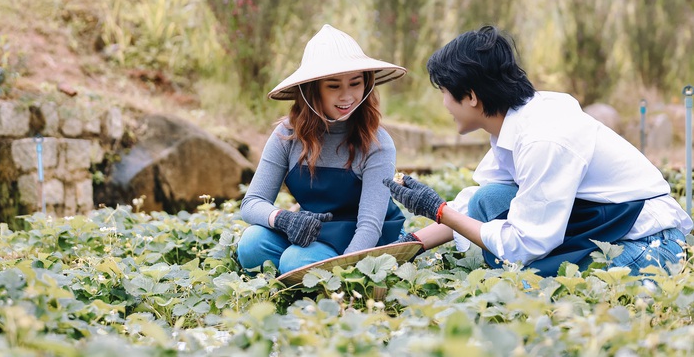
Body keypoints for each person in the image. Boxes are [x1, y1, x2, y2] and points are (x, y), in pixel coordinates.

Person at [385, 25, 693, 277]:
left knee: (524, 282)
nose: (443, 105)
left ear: (471, 97)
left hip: (650, 242)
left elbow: (523, 244)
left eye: (445, 93)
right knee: (485, 200)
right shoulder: (517, 120)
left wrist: (437, 209)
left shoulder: (542, 140)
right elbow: (475, 205)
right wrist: (413, 242)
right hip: (604, 223)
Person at [237, 24, 407, 275]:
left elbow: (370, 226)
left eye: (355, 83)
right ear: (312, 88)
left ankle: (299, 272)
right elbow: (252, 203)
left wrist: (350, 271)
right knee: (251, 244)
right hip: (312, 231)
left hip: (362, 236)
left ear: (367, 83)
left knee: (295, 261)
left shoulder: (377, 143)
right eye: (333, 86)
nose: (347, 96)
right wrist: (283, 219)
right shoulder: (287, 135)